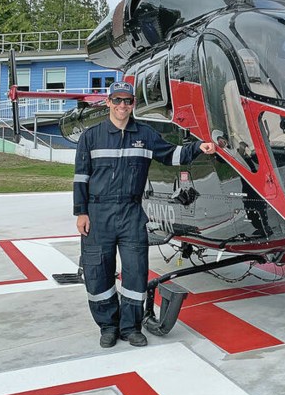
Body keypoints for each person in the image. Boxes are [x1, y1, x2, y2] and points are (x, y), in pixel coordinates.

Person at [73, 81, 216, 349]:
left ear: (132, 104)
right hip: (98, 212)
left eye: (127, 101)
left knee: (136, 272)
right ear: (108, 103)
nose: (122, 106)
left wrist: (199, 147)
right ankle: (108, 326)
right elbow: (81, 178)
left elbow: (173, 155)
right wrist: (81, 212)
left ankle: (130, 327)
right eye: (117, 100)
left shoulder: (146, 135)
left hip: (131, 212)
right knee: (98, 273)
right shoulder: (90, 137)